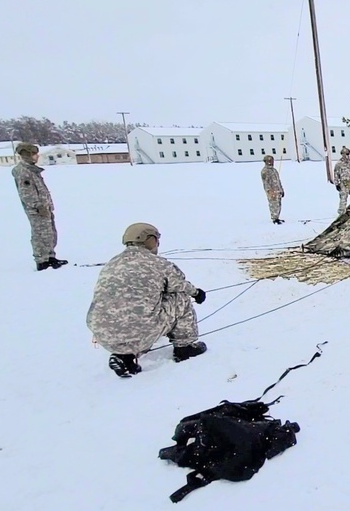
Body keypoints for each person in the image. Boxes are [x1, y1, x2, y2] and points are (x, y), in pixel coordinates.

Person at [86, 223, 208, 377]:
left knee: (132, 310)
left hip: (102, 333)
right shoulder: (159, 264)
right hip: (140, 330)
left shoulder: (112, 263)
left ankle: (124, 356)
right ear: (149, 240)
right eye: (156, 239)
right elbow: (180, 286)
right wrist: (197, 293)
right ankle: (185, 347)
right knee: (180, 298)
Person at [11, 142, 67, 271]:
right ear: (28, 155)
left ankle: (50, 257)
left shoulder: (32, 170)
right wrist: (37, 206)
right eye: (35, 154)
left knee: (49, 233)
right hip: (37, 210)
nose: (37, 156)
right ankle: (42, 260)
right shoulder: (23, 172)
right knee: (40, 234)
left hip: (44, 208)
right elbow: (27, 193)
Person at [260, 155, 285, 224]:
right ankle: (274, 218)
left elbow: (278, 181)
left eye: (271, 160)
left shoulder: (274, 170)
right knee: (273, 204)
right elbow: (266, 183)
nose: (271, 162)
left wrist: (281, 190)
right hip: (272, 191)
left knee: (278, 204)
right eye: (269, 161)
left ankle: (277, 217)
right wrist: (270, 192)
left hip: (278, 191)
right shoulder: (265, 171)